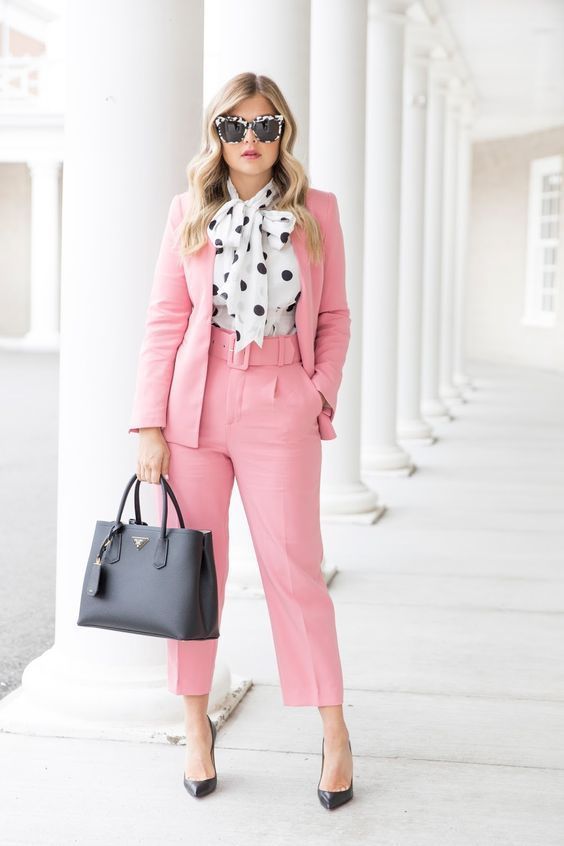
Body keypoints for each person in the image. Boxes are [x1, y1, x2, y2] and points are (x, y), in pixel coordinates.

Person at [128, 72, 353, 809]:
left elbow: (335, 318)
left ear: (283, 133)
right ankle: (196, 729)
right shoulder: (187, 210)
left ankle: (335, 731)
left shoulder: (317, 211)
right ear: (216, 134)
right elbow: (165, 318)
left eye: (265, 126)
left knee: (294, 571)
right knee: (194, 575)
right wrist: (150, 425)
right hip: (197, 405)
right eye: (234, 126)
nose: (250, 141)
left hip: (282, 398)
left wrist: (315, 391)